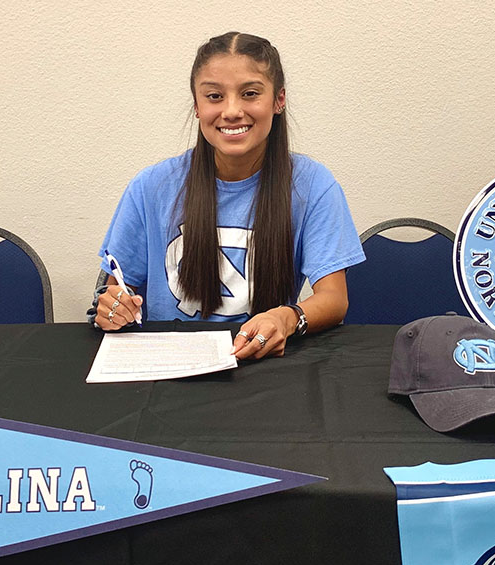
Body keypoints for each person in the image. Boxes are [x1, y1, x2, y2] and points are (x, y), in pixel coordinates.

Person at [92, 31, 364, 360]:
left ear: (279, 100)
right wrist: (113, 305)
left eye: (250, 93)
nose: (232, 111)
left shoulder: (313, 185)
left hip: (264, 364)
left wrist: (287, 317)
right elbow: (119, 287)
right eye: (214, 96)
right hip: (168, 367)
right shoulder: (150, 186)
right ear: (197, 105)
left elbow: (334, 299)